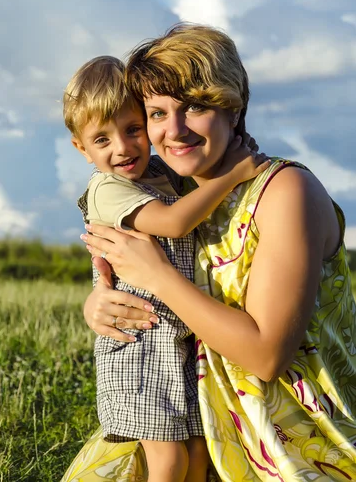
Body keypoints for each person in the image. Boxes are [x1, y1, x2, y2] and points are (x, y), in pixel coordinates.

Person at [62, 24, 356, 482]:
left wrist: (159, 278)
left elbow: (264, 355)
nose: (173, 130)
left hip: (297, 445)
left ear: (232, 109)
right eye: (156, 113)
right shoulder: (179, 196)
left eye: (195, 107)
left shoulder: (283, 190)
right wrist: (103, 300)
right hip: (200, 426)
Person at [62, 55, 269, 482]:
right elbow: (175, 222)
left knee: (197, 454)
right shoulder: (107, 188)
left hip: (178, 340)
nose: (123, 147)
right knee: (169, 461)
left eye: (133, 129)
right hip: (138, 346)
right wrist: (231, 176)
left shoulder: (160, 174)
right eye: (102, 140)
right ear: (81, 149)